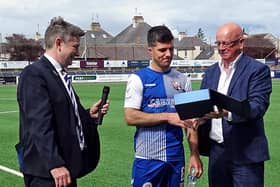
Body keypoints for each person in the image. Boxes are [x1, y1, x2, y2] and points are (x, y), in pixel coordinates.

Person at [16, 16, 109, 187]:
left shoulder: (58, 75)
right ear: (59, 43)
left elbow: (65, 116)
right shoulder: (34, 74)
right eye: (75, 46)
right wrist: (55, 163)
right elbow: (39, 124)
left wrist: (89, 115)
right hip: (47, 173)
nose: (78, 52)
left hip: (64, 169)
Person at [194, 22, 272, 187]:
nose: (221, 48)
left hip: (246, 153)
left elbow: (257, 107)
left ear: (241, 43)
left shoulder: (257, 70)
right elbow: (203, 104)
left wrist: (227, 113)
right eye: (218, 43)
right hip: (217, 153)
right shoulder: (211, 72)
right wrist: (196, 116)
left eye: (226, 43)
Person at [124, 25, 202, 187]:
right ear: (150, 50)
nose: (168, 54)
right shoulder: (138, 79)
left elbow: (190, 123)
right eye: (162, 50)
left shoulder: (183, 80)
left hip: (175, 158)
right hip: (147, 158)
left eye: (171, 49)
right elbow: (130, 117)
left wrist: (194, 154)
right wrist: (167, 116)